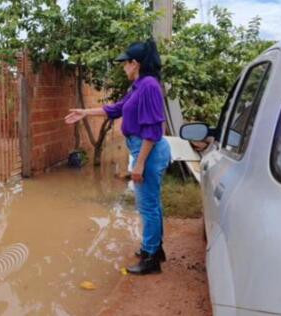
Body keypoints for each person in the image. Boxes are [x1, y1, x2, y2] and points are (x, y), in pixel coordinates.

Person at [65, 40, 171, 275]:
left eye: (125, 63)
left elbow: (154, 131)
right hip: (142, 149)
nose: (123, 67)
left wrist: (140, 163)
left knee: (147, 206)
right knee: (151, 203)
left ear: (135, 64)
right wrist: (84, 112)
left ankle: (151, 259)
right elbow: (116, 109)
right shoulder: (138, 86)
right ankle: (153, 248)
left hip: (148, 150)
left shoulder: (149, 86)